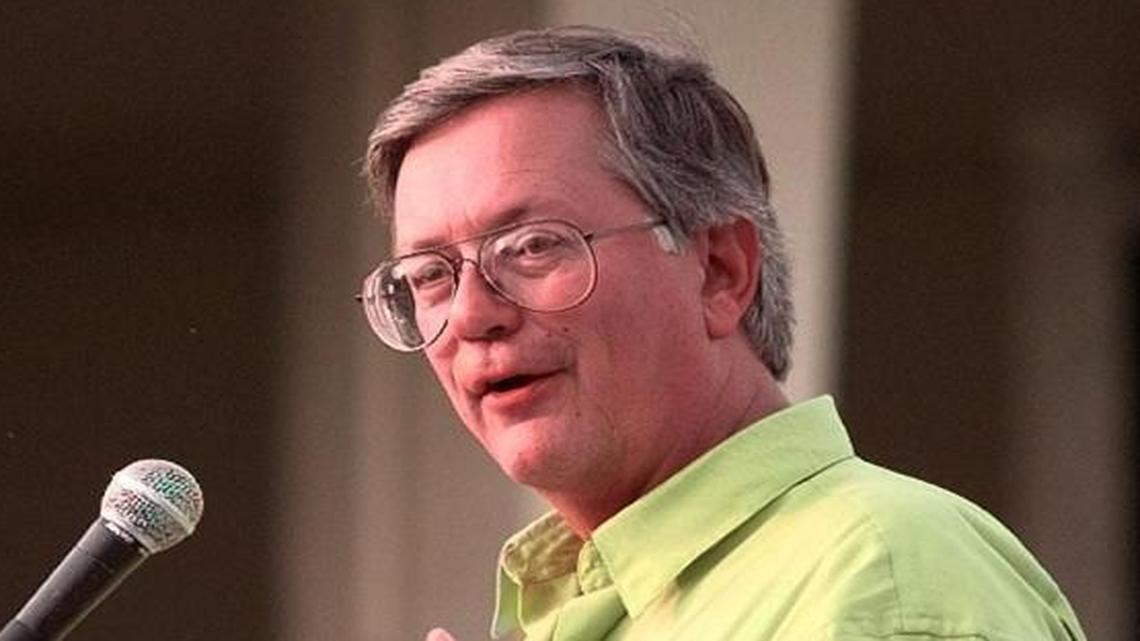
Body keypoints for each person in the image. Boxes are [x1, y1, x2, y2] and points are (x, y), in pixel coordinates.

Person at [358, 26, 1086, 641]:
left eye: (532, 245)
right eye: (429, 276)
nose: (473, 314)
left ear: (719, 270)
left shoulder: (882, 576)